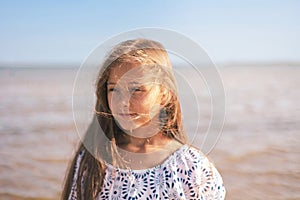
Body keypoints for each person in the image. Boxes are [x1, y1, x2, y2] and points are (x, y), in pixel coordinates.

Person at [62, 39, 226, 199]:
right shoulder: (94, 160)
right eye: (114, 89)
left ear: (164, 93)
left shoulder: (192, 168)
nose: (123, 102)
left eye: (136, 89)